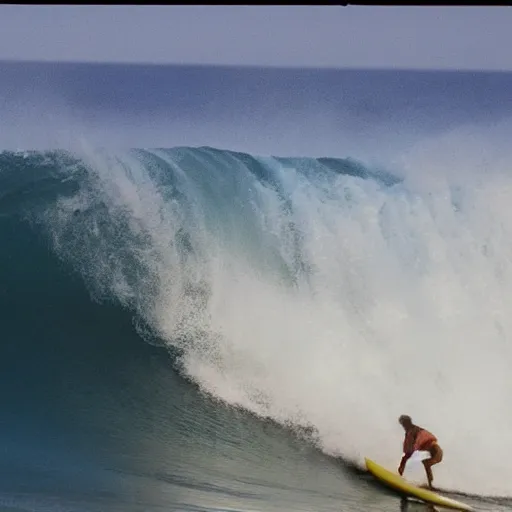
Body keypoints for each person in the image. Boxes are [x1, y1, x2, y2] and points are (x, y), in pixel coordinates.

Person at [397, 415, 443, 489]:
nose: (403, 426)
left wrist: (401, 467)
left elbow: (408, 453)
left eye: (403, 424)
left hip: (437, 452)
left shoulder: (413, 432)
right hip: (437, 451)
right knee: (425, 462)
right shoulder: (414, 430)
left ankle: (430, 486)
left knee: (426, 463)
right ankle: (430, 485)